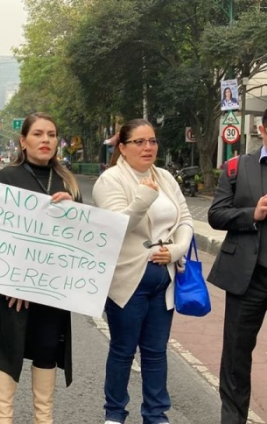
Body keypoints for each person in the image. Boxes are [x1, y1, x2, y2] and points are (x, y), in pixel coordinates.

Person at [0, 112, 80, 424]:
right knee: (8, 350)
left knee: (47, 350)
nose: (45, 140)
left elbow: (81, 241)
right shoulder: (7, 178)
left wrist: (75, 211)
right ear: (23, 141)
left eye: (51, 134)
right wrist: (14, 282)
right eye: (38, 134)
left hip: (52, 288)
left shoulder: (67, 182)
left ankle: (43, 419)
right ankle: (3, 419)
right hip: (12, 288)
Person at [93, 119, 193, 424]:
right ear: (123, 148)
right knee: (123, 350)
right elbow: (116, 227)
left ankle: (155, 413)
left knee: (156, 351)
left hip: (164, 280)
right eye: (139, 142)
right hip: (128, 280)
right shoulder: (110, 180)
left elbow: (185, 218)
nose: (148, 147)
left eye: (152, 141)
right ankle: (114, 414)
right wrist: (144, 198)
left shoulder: (165, 177)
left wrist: (177, 249)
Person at [207, 108, 267, 423]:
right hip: (248, 276)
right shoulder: (238, 167)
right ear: (263, 130)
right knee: (236, 355)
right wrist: (251, 214)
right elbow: (216, 215)